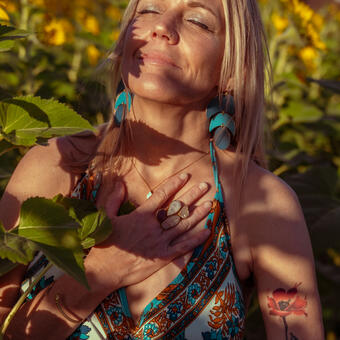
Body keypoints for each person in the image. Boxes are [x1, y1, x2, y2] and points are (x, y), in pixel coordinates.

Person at [0, 0, 324, 339]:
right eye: (149, 10)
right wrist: (101, 272)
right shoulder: (59, 163)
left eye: (198, 21)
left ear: (232, 69)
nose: (161, 27)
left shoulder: (261, 203)